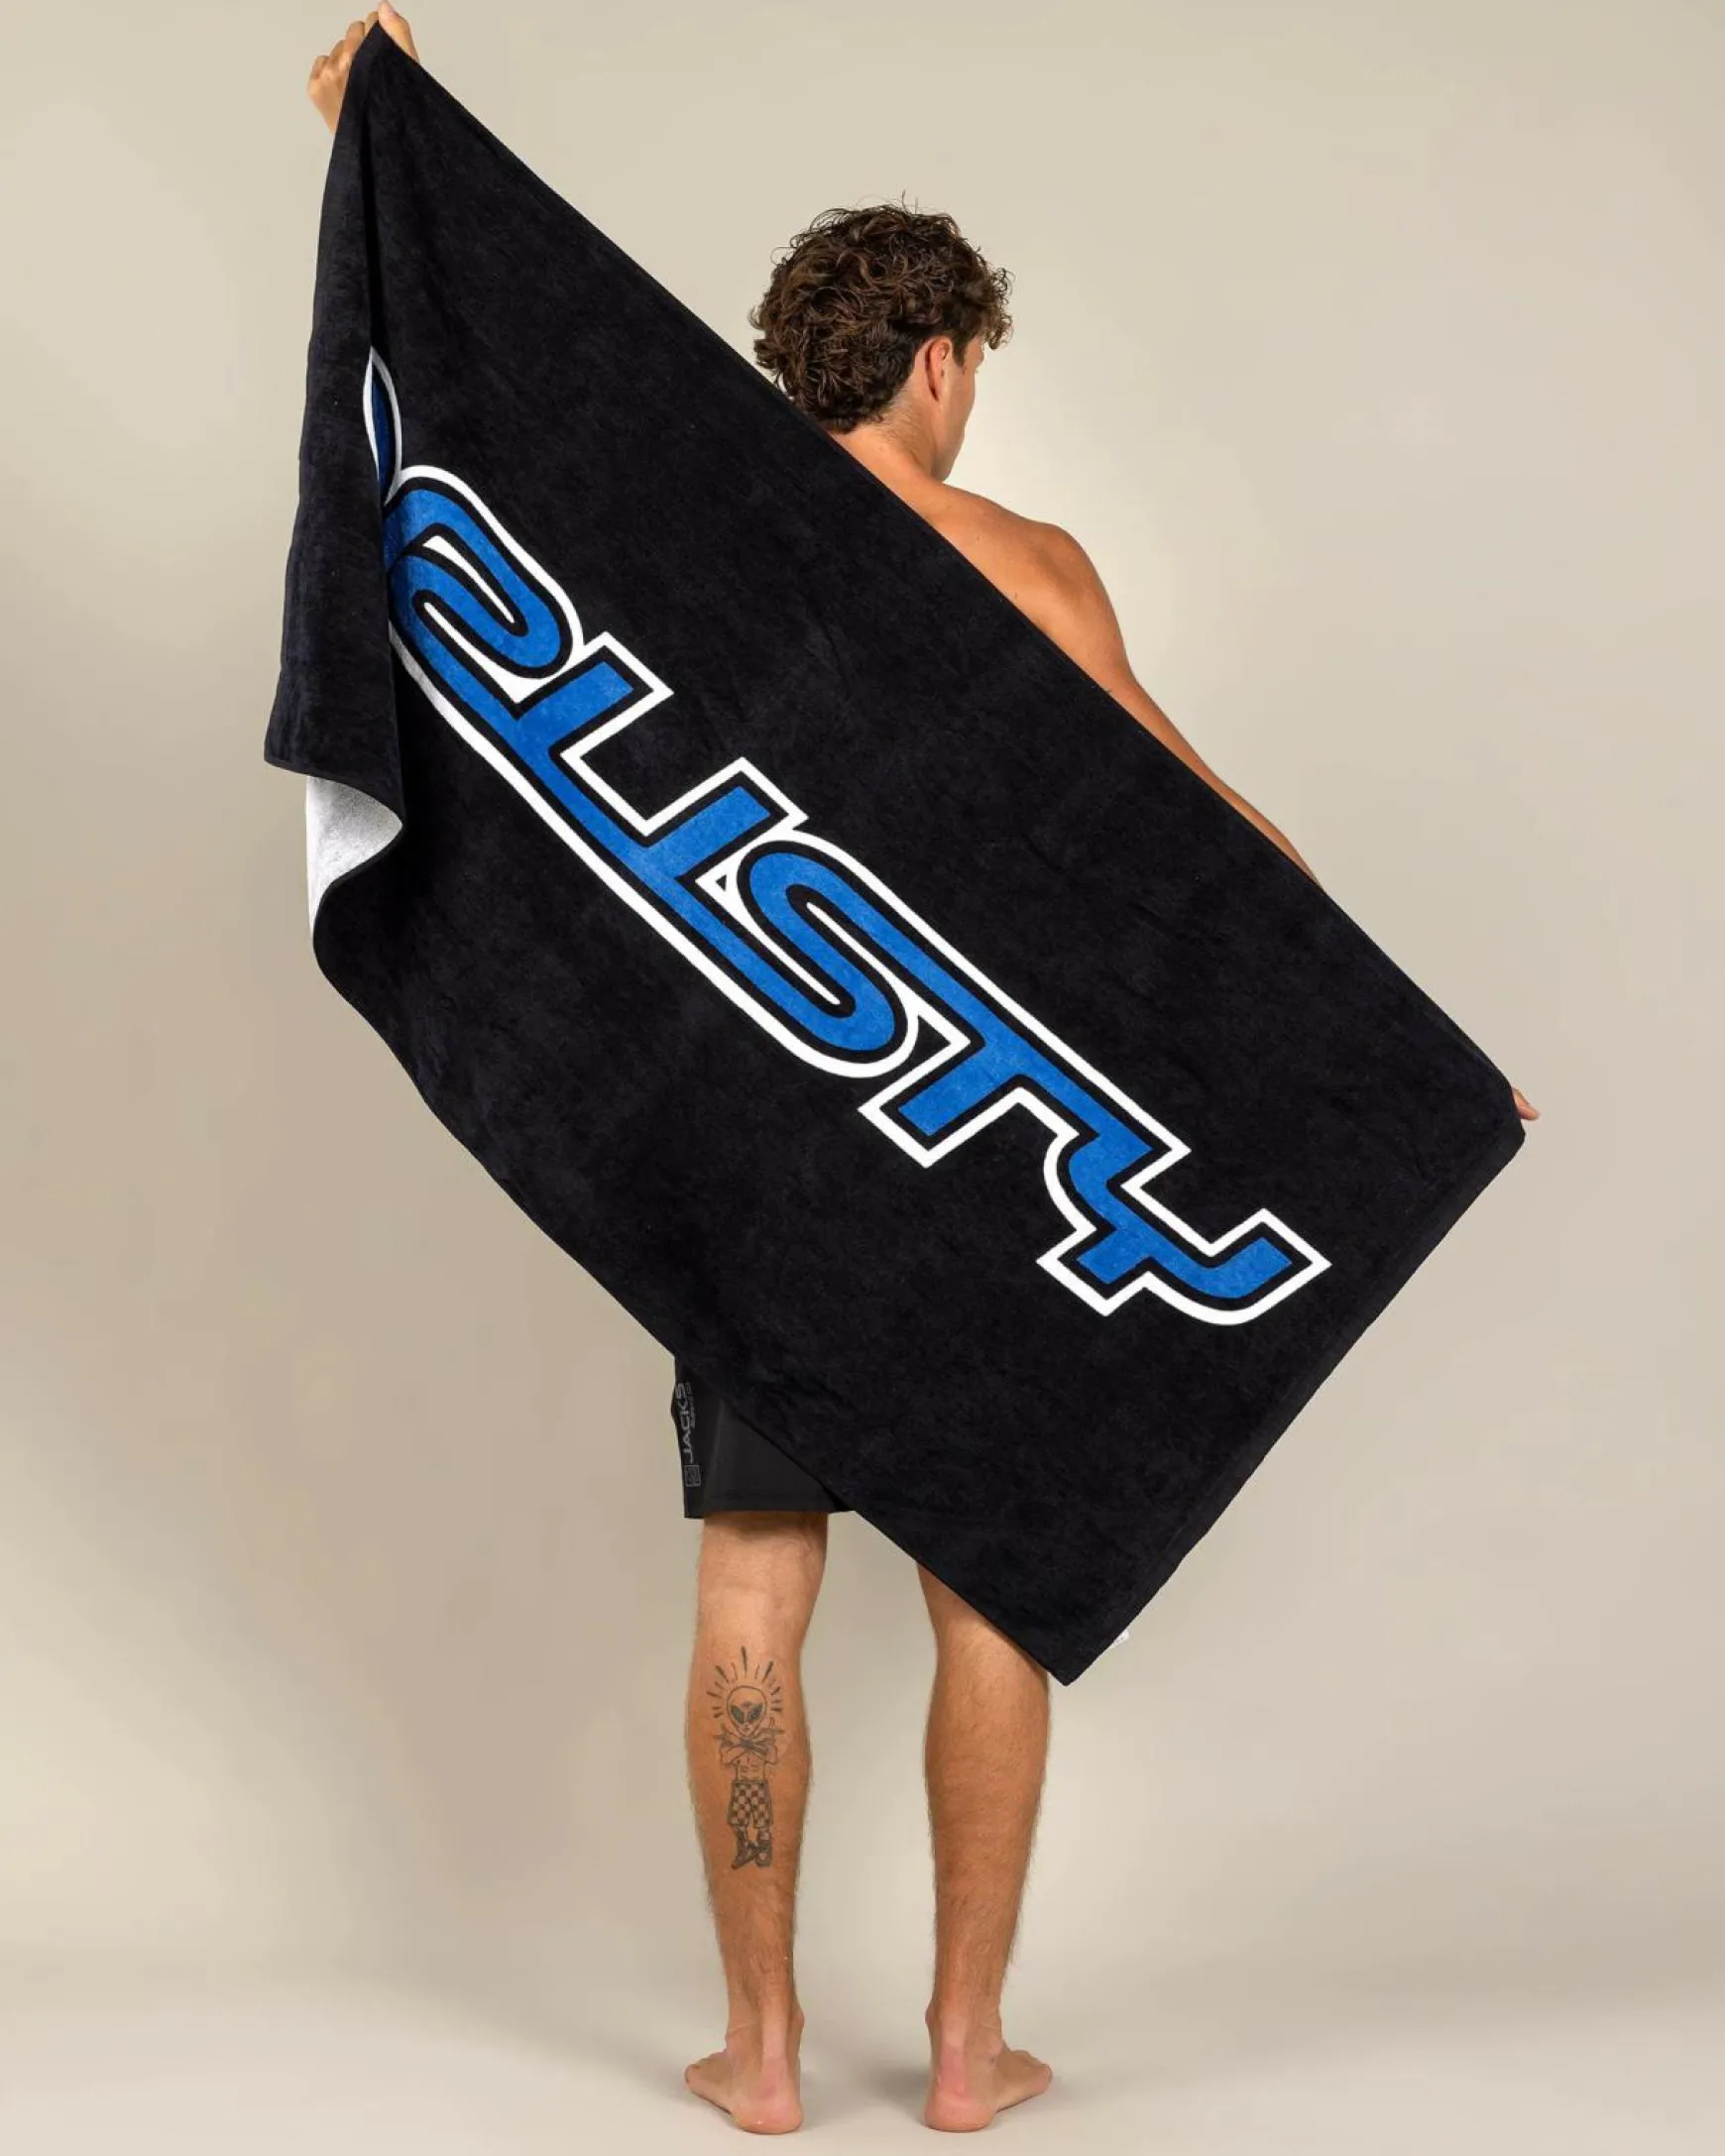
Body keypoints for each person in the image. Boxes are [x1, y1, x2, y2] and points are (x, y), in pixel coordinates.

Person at [309, 13, 1541, 2134]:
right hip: (979, 1162)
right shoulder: (1033, 568)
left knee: (749, 1589)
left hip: (763, 1152)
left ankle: (766, 2055)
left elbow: (514, 410)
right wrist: (1414, 1071)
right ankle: (968, 2055)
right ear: (942, 360)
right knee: (993, 1602)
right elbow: (1217, 851)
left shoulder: (710, 534)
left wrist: (377, 134)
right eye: (975, 368)